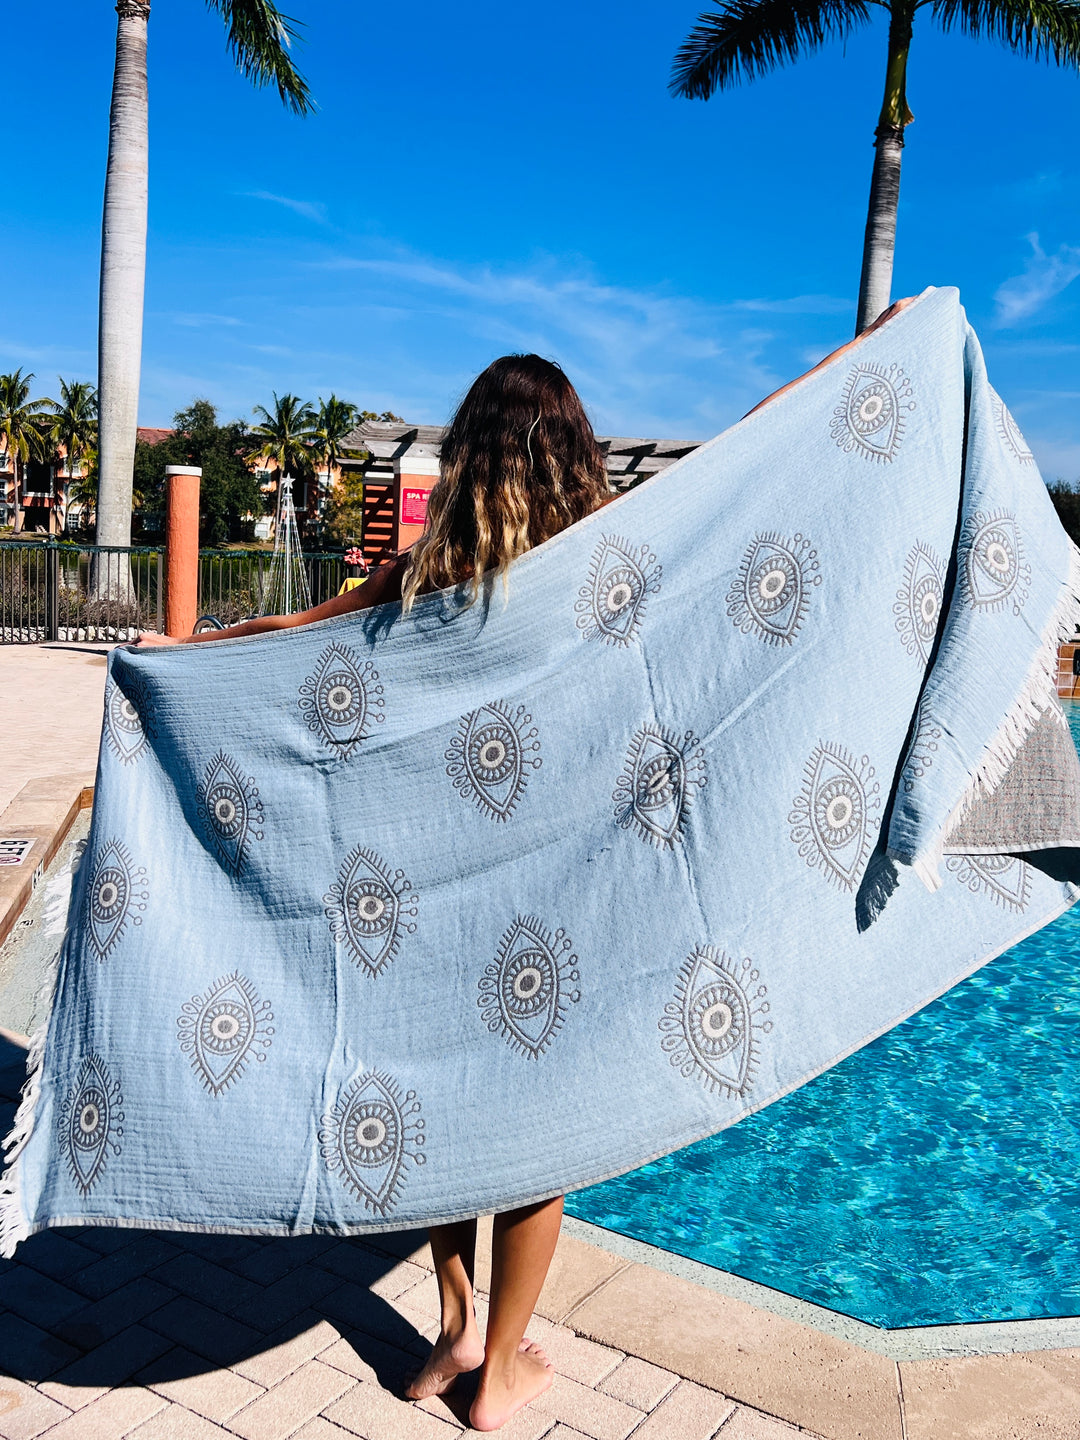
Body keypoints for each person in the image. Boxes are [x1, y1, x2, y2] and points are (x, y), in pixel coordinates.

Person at [136, 304, 912, 1425]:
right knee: (540, 1140)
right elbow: (749, 454)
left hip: (426, 908)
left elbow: (298, 633)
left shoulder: (420, 579)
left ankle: (449, 1334)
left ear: (470, 455)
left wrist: (182, 657)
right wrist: (861, 356)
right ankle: (498, 1372)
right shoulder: (600, 573)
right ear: (573, 455)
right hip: (555, 915)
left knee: (445, 1115)